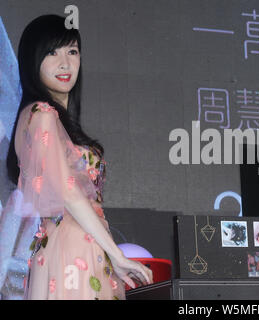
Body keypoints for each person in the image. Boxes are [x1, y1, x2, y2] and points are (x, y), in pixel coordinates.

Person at [4, 14, 153, 299]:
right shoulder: (42, 115)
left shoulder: (34, 117)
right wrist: (117, 255)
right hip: (75, 248)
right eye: (52, 52)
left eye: (72, 51)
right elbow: (70, 193)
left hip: (72, 245)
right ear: (31, 61)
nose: (65, 63)